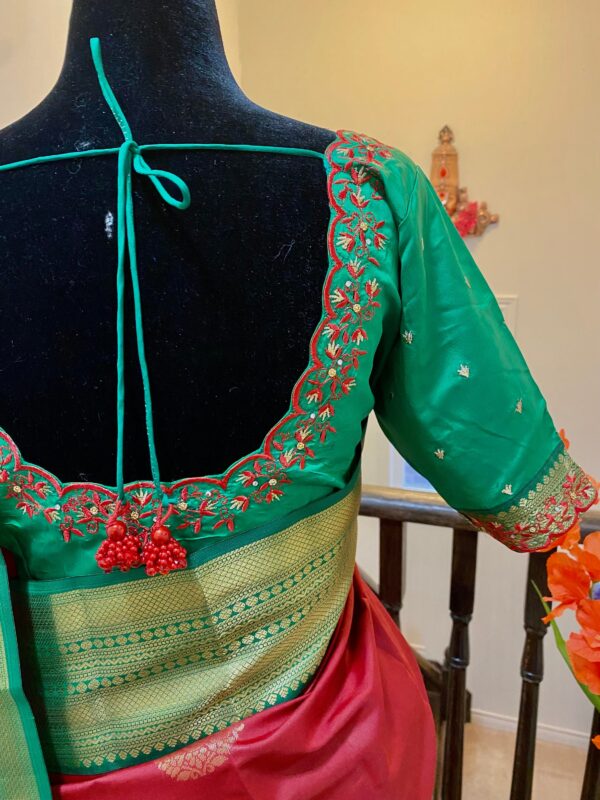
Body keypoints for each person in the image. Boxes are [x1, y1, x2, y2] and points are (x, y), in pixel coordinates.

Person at [0, 30, 596, 800]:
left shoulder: (367, 196)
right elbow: (510, 472)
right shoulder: (368, 188)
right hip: (327, 755)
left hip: (296, 739)